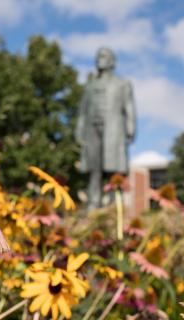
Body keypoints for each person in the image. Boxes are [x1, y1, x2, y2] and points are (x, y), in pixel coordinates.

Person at [75, 47, 136, 210]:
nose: (99, 59)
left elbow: (129, 107)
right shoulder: (89, 86)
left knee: (113, 168)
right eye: (97, 56)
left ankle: (113, 204)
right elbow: (83, 111)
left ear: (112, 61)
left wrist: (131, 128)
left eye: (103, 56)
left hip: (113, 129)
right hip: (92, 130)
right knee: (94, 168)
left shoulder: (122, 84)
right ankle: (93, 202)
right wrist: (79, 131)